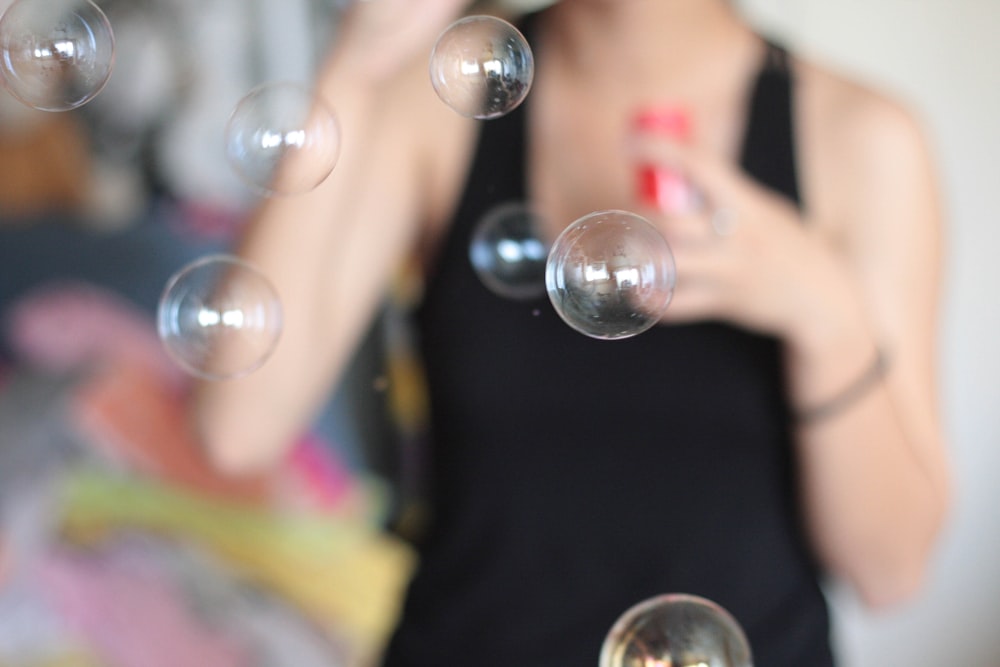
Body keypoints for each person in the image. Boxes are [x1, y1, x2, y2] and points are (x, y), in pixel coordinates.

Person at [190, 0, 952, 664]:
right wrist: (355, 65)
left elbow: (890, 569)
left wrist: (825, 313)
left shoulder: (861, 140)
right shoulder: (438, 103)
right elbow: (237, 426)